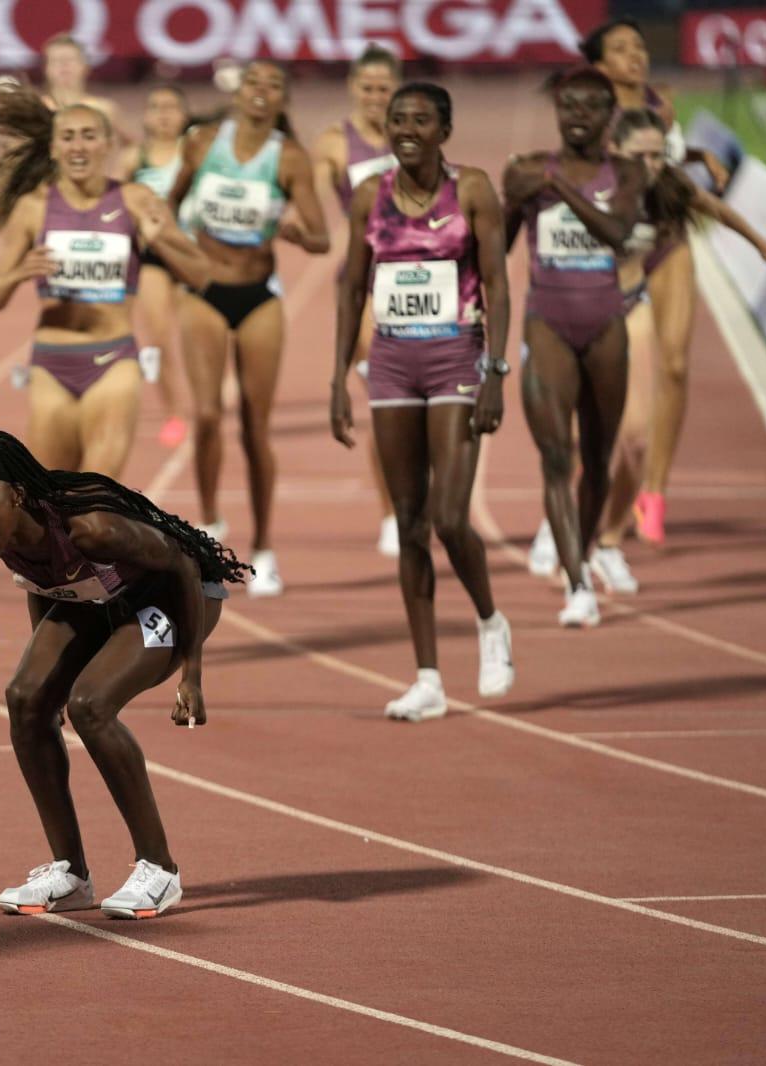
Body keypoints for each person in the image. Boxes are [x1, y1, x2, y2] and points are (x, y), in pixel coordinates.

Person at [0, 430, 251, 918]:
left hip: (171, 598)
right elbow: (40, 580)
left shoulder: (91, 529)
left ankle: (160, 869)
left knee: (91, 705)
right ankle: (70, 875)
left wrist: (191, 674)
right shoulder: (0, 531)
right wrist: (47, 683)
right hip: (96, 596)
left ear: (16, 495)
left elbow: (184, 565)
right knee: (25, 698)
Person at [331, 82, 515, 720]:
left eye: (421, 120)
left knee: (449, 516)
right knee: (408, 522)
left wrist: (494, 370)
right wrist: (336, 379)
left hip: (455, 357)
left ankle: (490, 622)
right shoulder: (368, 197)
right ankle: (428, 676)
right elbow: (351, 286)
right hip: (391, 362)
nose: (407, 129)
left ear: (444, 130)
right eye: (397, 119)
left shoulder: (473, 190)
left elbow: (497, 283)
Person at [0, 82, 209, 479]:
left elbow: (200, 275)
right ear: (55, 148)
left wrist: (162, 241)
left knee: (96, 501)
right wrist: (18, 273)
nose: (78, 147)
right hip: (50, 365)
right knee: (49, 500)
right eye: (68, 137)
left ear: (109, 144)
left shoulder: (135, 199)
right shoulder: (33, 208)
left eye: (89, 136)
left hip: (114, 361)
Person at [590, 109, 766, 592]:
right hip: (593, 301)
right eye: (641, 156)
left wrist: (761, 243)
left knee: (653, 405)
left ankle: (623, 526)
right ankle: (568, 516)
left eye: (659, 155)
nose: (652, 164)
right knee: (594, 421)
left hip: (647, 278)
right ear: (614, 153)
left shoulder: (668, 184)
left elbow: (714, 208)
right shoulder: (588, 186)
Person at [168, 59, 330, 598]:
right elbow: (164, 207)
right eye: (254, 82)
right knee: (209, 415)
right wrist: (177, 254)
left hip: (259, 296)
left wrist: (292, 233)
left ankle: (263, 548)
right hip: (204, 292)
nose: (262, 91)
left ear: (282, 98)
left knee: (255, 428)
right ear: (239, 92)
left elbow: (321, 238)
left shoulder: (288, 157)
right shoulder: (202, 143)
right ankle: (210, 525)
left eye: (274, 85)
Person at [504, 68, 644, 628]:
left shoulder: (627, 170)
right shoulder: (525, 171)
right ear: (558, 111)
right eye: (569, 106)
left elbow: (617, 231)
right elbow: (498, 246)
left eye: (591, 107)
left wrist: (557, 186)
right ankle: (578, 583)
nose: (578, 116)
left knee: (598, 459)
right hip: (548, 321)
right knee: (556, 456)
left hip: (608, 323)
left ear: (610, 115)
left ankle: (581, 553)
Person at [586, 18, 728, 547]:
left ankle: (655, 492)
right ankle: (604, 474)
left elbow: (660, 161)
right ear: (601, 66)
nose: (635, 56)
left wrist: (696, 153)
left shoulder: (662, 100)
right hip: (619, 249)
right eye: (621, 50)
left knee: (674, 363)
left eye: (639, 46)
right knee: (609, 374)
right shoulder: (593, 111)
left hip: (668, 239)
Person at [314, 45, 402, 559]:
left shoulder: (414, 129)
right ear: (353, 89)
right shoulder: (333, 142)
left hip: (420, 279)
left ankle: (417, 500)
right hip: (367, 282)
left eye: (383, 88)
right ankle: (392, 513)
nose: (375, 97)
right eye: (367, 88)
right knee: (387, 400)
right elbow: (309, 193)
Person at [116, 84, 193, 449]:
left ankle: (211, 392)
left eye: (171, 107)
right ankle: (174, 412)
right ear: (146, 116)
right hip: (153, 258)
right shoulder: (135, 157)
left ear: (184, 115)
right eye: (156, 107)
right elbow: (116, 202)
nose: (164, 114)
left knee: (200, 333)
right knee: (160, 336)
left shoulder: (197, 152)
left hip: (195, 254)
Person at [40, 34, 122, 133]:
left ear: (85, 67)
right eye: (56, 60)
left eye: (70, 59)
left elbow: (128, 145)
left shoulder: (105, 110)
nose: (64, 65)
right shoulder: (35, 110)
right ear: (46, 69)